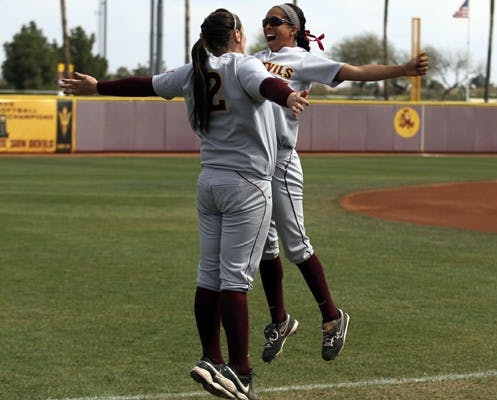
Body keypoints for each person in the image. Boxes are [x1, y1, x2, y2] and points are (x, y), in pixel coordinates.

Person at [60, 8, 309, 400]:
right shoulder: (242, 64)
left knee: (209, 276)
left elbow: (145, 84)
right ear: (238, 35)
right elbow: (266, 86)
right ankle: (240, 373)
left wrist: (99, 87)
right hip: (248, 185)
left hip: (209, 181)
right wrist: (290, 94)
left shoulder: (192, 69)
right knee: (235, 281)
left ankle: (211, 357)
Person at [253, 3, 429, 363]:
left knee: (296, 245)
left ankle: (333, 318)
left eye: (275, 20)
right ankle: (279, 321)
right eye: (265, 21)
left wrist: (403, 69)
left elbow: (356, 70)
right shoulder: (253, 59)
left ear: (293, 28)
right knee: (265, 248)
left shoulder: (302, 59)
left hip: (282, 161)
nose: (267, 25)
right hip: (254, 162)